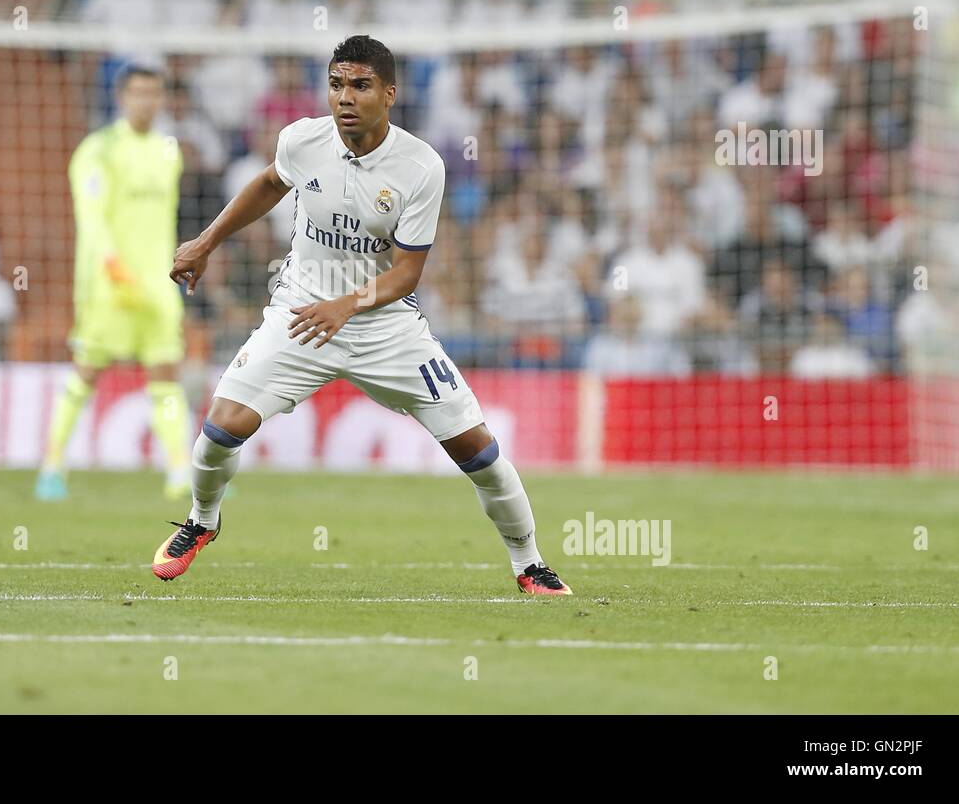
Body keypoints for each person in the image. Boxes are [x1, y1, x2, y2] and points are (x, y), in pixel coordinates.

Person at [155, 35, 572, 597]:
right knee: (219, 429)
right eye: (335, 84)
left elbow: (407, 274)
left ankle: (530, 563)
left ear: (389, 93)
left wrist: (346, 306)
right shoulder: (302, 141)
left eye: (359, 85)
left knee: (479, 451)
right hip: (302, 311)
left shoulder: (421, 166)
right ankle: (202, 522)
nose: (344, 98)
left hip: (383, 325)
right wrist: (206, 242)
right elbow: (267, 184)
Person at [35, 67, 192, 502]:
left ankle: (180, 471)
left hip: (157, 283)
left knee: (165, 374)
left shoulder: (168, 151)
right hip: (108, 284)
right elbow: (91, 216)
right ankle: (52, 466)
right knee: (87, 370)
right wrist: (110, 262)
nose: (147, 102)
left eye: (154, 94)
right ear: (121, 97)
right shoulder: (97, 150)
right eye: (139, 93)